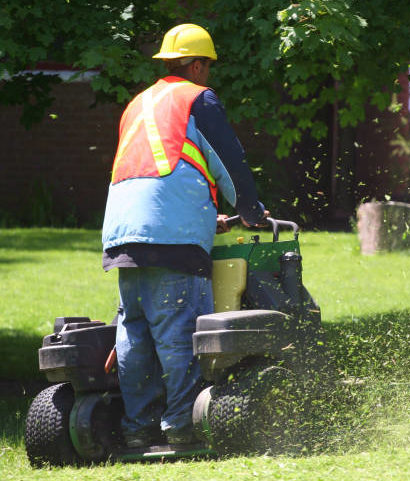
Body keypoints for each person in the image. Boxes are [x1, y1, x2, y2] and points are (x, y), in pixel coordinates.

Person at [101, 23, 267, 448]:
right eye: (206, 66)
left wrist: (202, 214)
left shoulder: (138, 103)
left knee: (134, 335)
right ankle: (180, 428)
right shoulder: (198, 98)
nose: (208, 74)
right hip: (171, 239)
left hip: (122, 234)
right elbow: (228, 158)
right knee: (179, 334)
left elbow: (163, 168)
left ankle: (136, 429)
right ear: (196, 65)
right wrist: (248, 210)